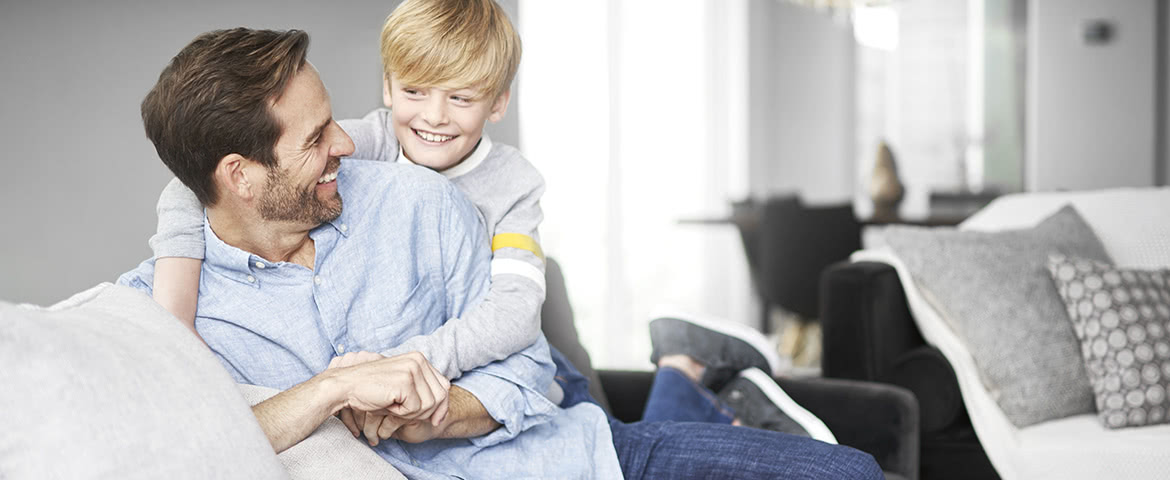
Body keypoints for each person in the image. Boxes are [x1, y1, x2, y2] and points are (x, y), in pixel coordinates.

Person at [120, 27, 882, 479]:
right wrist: (327, 391)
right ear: (239, 178)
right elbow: (171, 448)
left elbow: (528, 359)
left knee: (851, 472)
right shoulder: (164, 309)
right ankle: (683, 375)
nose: (350, 142)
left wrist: (450, 408)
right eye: (317, 137)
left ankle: (684, 377)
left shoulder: (418, 200)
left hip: (575, 459)